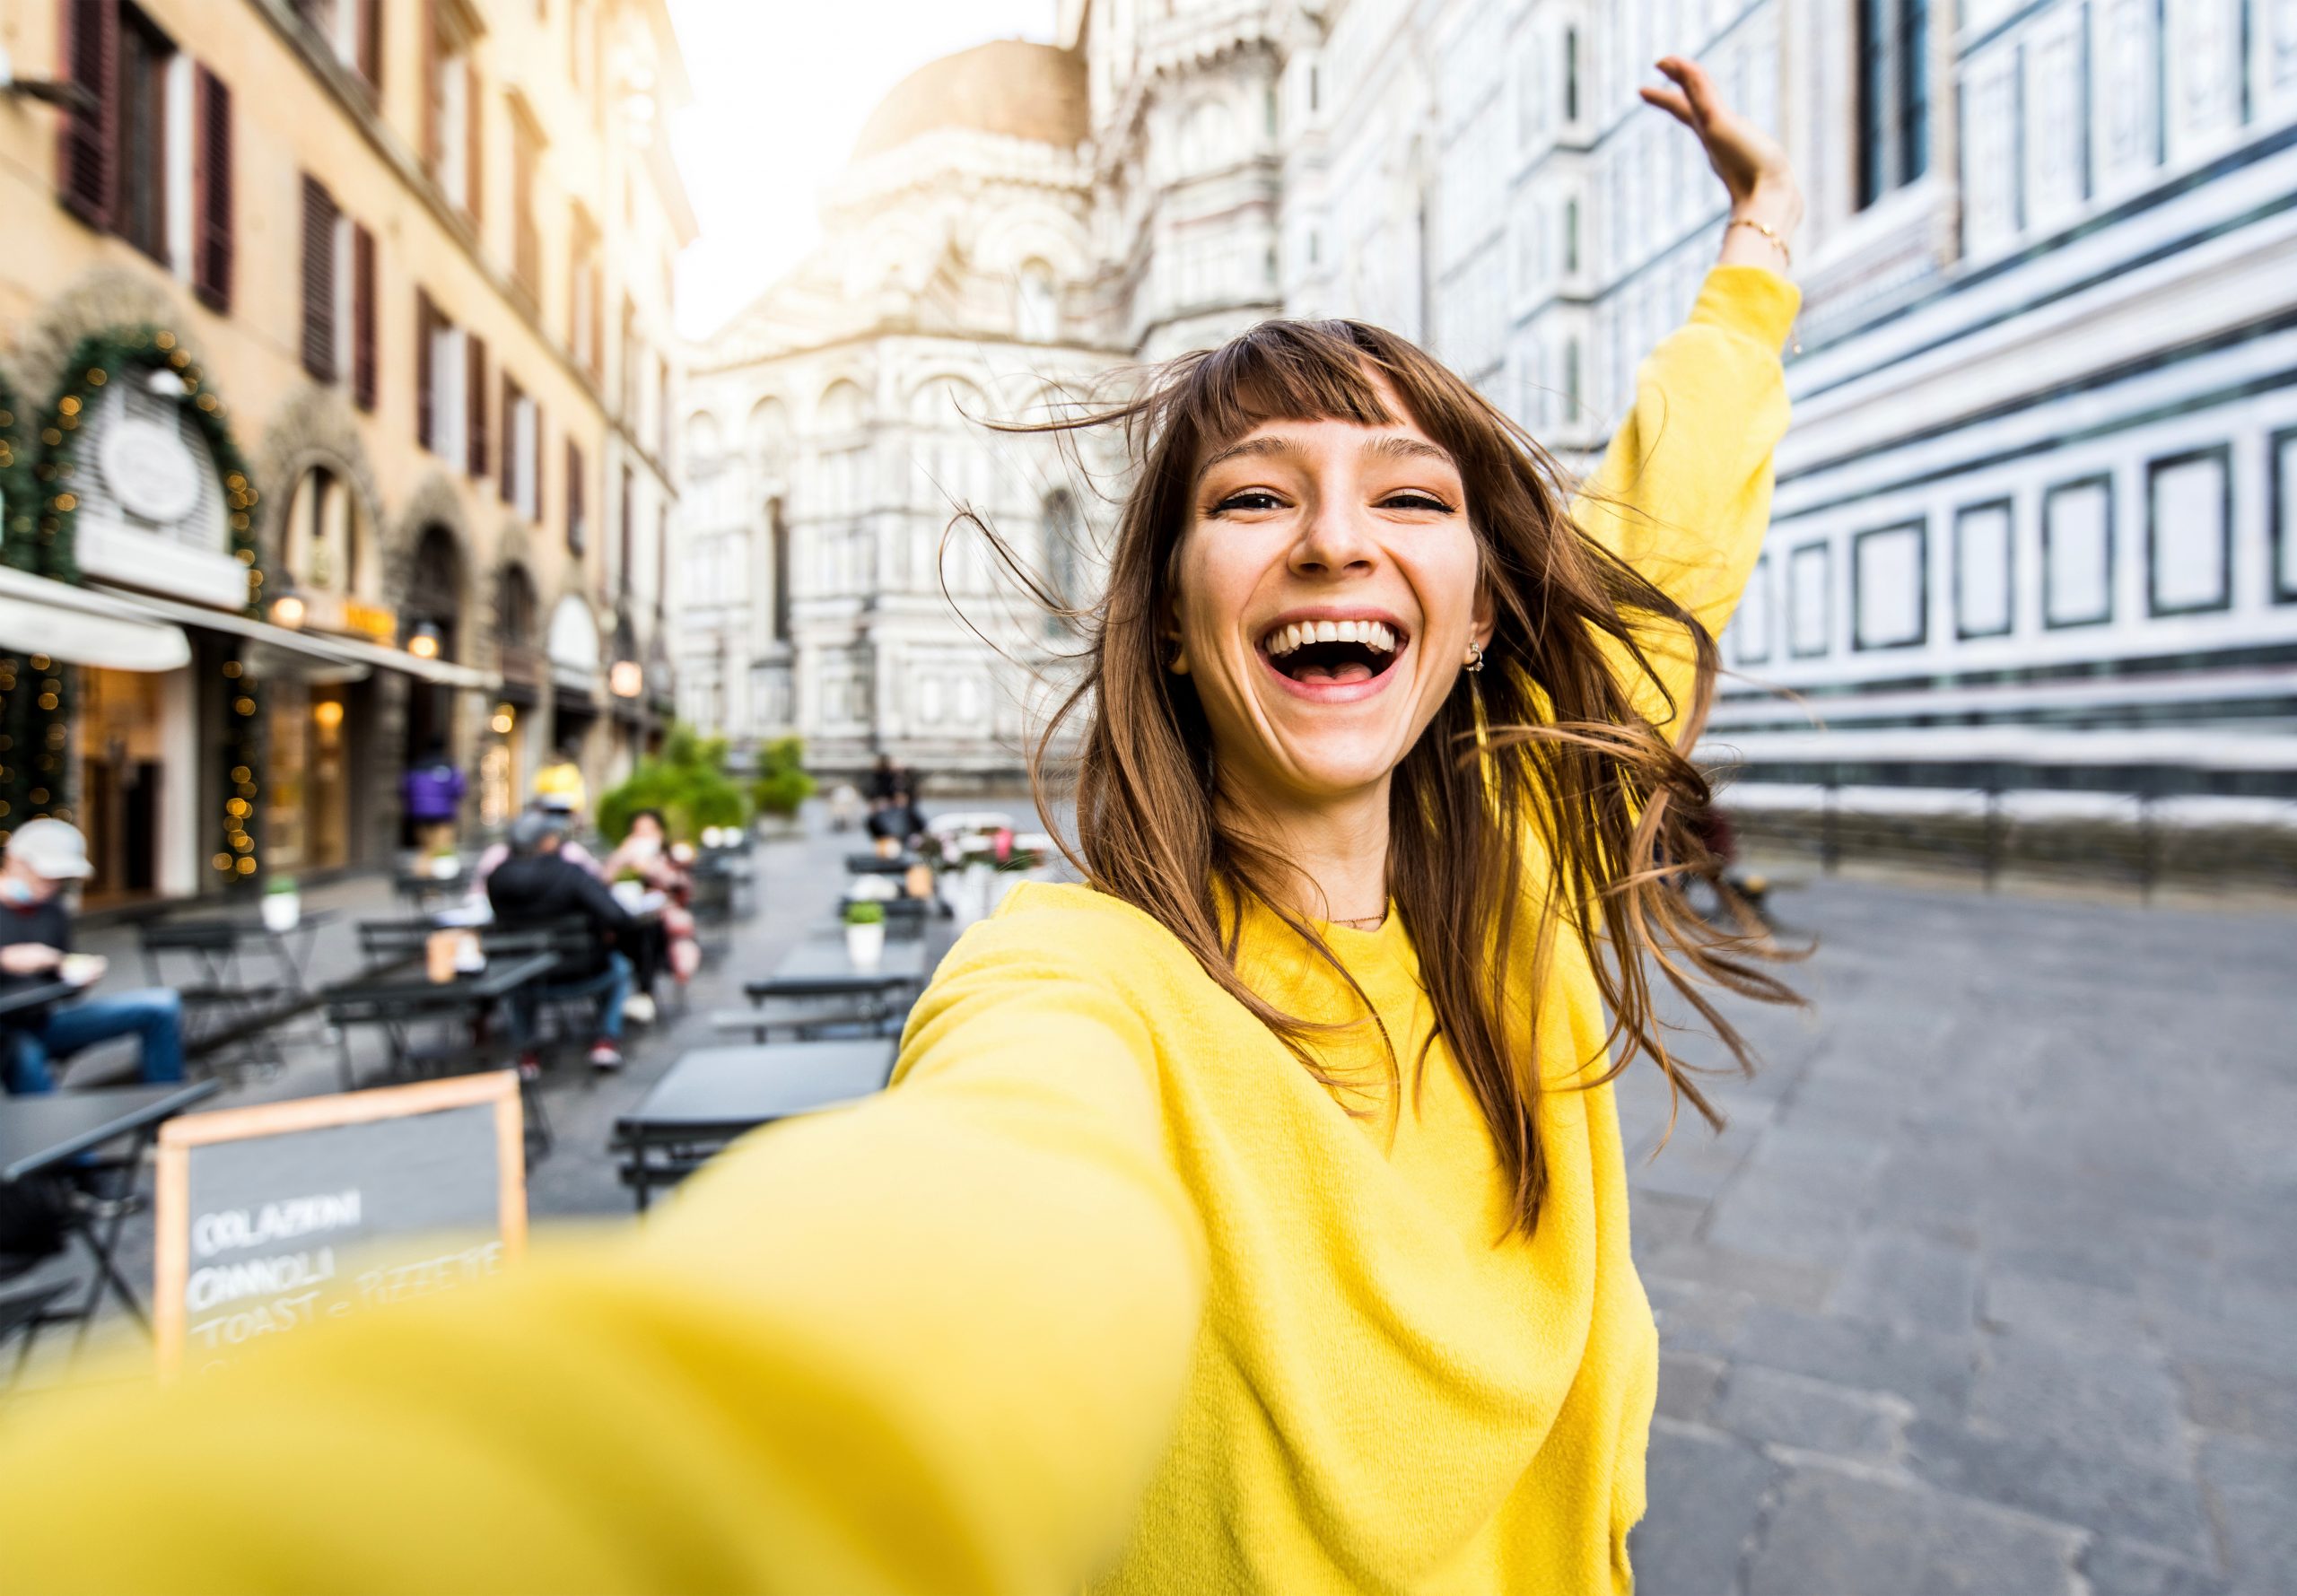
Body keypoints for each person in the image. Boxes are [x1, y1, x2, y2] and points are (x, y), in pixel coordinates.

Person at [0, 57, 1804, 1595]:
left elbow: (1662, 545)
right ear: (1165, 619)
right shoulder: (1085, 985)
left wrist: (1756, 250)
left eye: (1409, 496)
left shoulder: (1524, 863)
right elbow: (957, 1240)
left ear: (1483, 608)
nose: (1337, 537)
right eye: (1254, 495)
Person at [0, 819, 184, 1095]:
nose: (50, 886)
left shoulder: (52, 911)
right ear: (15, 862)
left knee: (161, 1006)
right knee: (24, 1052)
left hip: (43, 1020)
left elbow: (58, 981)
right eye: (45, 877)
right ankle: (51, 1135)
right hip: (6, 1032)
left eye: (58, 880)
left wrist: (73, 975)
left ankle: (166, 1125)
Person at [485, 808, 637, 1071]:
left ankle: (527, 1053)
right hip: (584, 971)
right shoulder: (571, 873)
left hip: (526, 976)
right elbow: (617, 916)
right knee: (620, 968)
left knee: (518, 975)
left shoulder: (497, 878)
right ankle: (605, 1040)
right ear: (546, 840)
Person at [399, 742, 466, 853]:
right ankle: (440, 868)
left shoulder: (417, 766)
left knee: (425, 847)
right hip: (444, 812)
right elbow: (458, 789)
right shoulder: (449, 766)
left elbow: (405, 788)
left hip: (420, 812)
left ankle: (424, 868)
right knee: (443, 846)